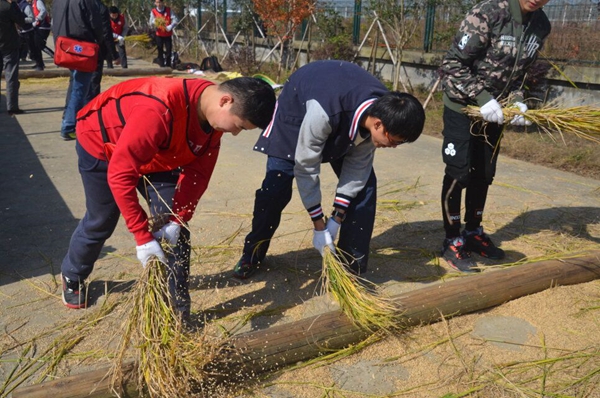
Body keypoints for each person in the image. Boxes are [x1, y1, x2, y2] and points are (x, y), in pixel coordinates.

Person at [60, 76, 276, 321]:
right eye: (239, 125)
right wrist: (142, 236)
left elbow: (199, 173)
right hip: (104, 145)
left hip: (159, 152)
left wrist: (178, 218)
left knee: (174, 230)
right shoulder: (158, 107)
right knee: (102, 218)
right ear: (225, 101)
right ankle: (73, 274)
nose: (235, 133)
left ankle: (178, 309)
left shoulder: (212, 119)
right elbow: (121, 174)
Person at [232, 60, 426, 279]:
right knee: (275, 190)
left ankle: (351, 265)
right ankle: (253, 254)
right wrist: (319, 226)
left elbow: (356, 168)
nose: (393, 147)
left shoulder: (384, 111)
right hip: (295, 115)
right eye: (393, 141)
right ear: (378, 124)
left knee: (364, 189)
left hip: (340, 109)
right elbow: (306, 167)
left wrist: (336, 218)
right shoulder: (323, 113)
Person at [438, 0, 551, 273]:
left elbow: (519, 74)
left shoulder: (541, 25)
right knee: (459, 172)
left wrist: (518, 100)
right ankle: (452, 239)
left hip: (495, 113)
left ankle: (474, 232)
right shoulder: (489, 12)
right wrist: (482, 97)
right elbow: (452, 62)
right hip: (463, 107)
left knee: (483, 173)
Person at [52, 0, 107, 141]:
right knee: (80, 88)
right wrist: (100, 43)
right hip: (83, 48)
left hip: (65, 46)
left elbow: (55, 22)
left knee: (75, 84)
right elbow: (96, 25)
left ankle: (69, 119)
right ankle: (69, 126)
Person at [1, 0, 30, 116]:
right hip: (9, 45)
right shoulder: (9, 6)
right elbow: (22, 21)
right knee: (11, 76)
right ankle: (12, 107)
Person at [149, 0, 177, 68]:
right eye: (157, 2)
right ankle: (161, 66)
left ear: (162, 2)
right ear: (155, 3)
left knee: (168, 50)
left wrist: (170, 26)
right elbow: (150, 22)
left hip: (167, 34)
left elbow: (175, 20)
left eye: (160, 2)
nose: (158, 4)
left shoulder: (168, 10)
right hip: (159, 34)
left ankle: (168, 66)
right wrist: (155, 22)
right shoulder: (153, 11)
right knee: (160, 50)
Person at [17, 0, 43, 70]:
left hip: (29, 31)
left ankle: (40, 65)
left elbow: (32, 18)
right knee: (17, 49)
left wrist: (22, 20)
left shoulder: (26, 6)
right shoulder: (17, 5)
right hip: (21, 31)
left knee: (34, 48)